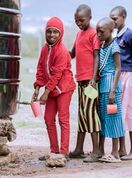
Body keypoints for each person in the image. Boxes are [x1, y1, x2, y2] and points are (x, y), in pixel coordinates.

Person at [31, 17, 76, 166]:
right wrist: (37, 88)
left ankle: (63, 152)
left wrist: (46, 93)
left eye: (55, 32)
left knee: (63, 119)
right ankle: (54, 151)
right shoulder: (44, 49)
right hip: (51, 89)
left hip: (64, 88)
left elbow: (57, 74)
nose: (51, 35)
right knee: (49, 118)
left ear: (61, 33)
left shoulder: (62, 51)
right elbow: (40, 69)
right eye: (49, 31)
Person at [110, 6, 132, 160]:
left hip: (127, 77)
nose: (113, 21)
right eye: (111, 18)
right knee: (117, 111)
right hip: (117, 77)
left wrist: (127, 68)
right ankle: (122, 149)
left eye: (115, 18)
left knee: (128, 111)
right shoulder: (113, 35)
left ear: (124, 17)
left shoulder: (130, 35)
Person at [69, 4, 101, 162]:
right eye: (76, 20)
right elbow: (72, 53)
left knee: (90, 114)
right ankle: (79, 149)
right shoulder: (78, 34)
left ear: (89, 17)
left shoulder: (94, 33)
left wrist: (94, 79)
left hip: (90, 81)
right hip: (80, 80)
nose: (79, 23)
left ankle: (96, 151)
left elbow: (96, 56)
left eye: (81, 20)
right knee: (82, 115)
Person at [94, 17, 124, 163]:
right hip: (103, 88)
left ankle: (115, 153)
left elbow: (118, 68)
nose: (99, 34)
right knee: (103, 118)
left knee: (114, 118)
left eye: (102, 31)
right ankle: (101, 150)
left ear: (111, 31)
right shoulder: (102, 46)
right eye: (97, 31)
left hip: (112, 89)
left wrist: (113, 91)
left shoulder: (114, 46)